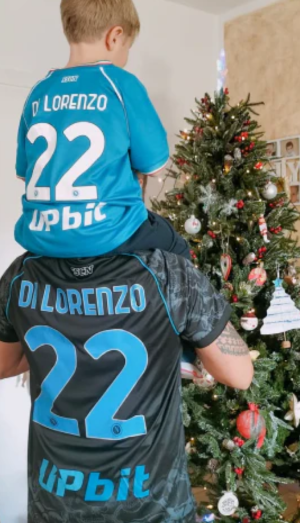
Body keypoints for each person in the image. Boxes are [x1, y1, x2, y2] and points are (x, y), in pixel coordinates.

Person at [0, 251, 253, 523]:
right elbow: (240, 375)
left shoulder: (23, 272)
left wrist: (65, 345)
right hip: (153, 507)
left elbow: (4, 365)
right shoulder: (166, 272)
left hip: (55, 503)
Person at [14, 0, 189, 260]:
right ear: (115, 37)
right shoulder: (120, 83)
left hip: (42, 235)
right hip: (108, 231)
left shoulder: (39, 92)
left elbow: (24, 175)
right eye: (128, 47)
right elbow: (156, 165)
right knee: (179, 246)